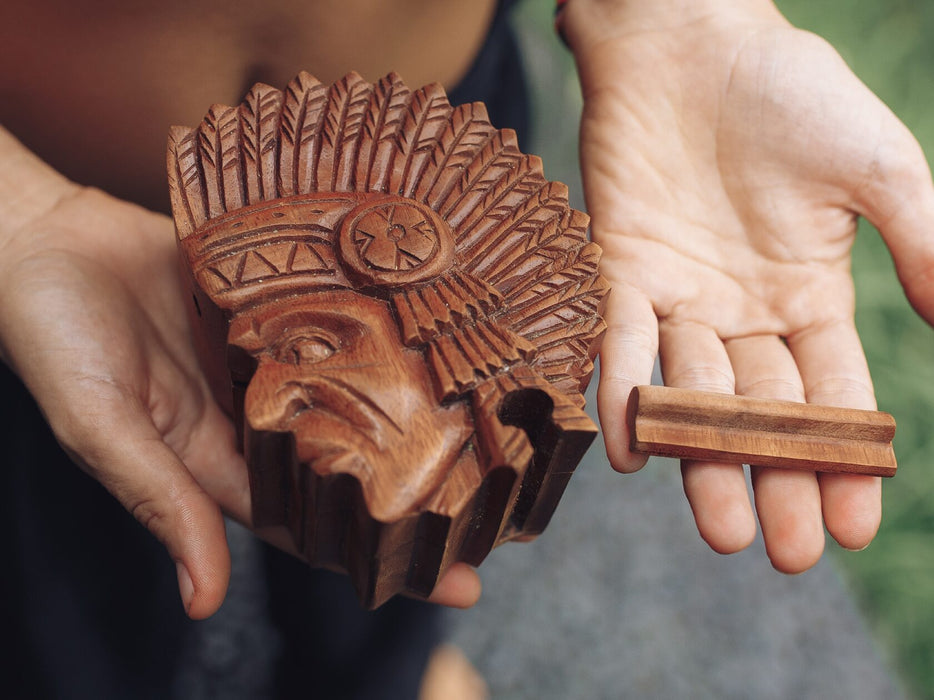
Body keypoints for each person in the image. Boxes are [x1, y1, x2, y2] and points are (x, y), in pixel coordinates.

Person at [1, 0, 931, 695]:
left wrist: (668, 15)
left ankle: (381, 677)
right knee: (68, 583)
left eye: (319, 345)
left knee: (407, 535)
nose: (270, 396)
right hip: (48, 200)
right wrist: (20, 220)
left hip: (439, 132)